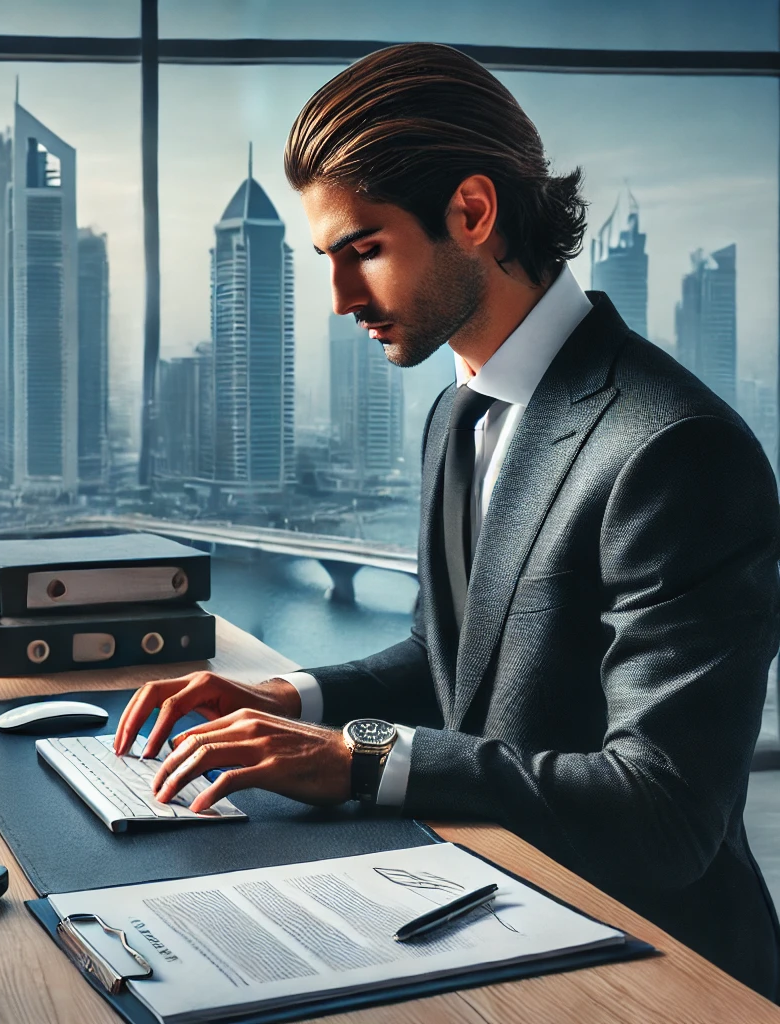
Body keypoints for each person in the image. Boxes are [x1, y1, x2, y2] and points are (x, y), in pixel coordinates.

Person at [114, 42, 780, 999]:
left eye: (365, 251)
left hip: (650, 969)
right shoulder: (458, 411)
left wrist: (355, 759)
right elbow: (449, 664)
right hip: (480, 906)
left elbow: (665, 814)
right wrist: (287, 702)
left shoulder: (673, 451)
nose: (340, 299)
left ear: (472, 212)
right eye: (327, 260)